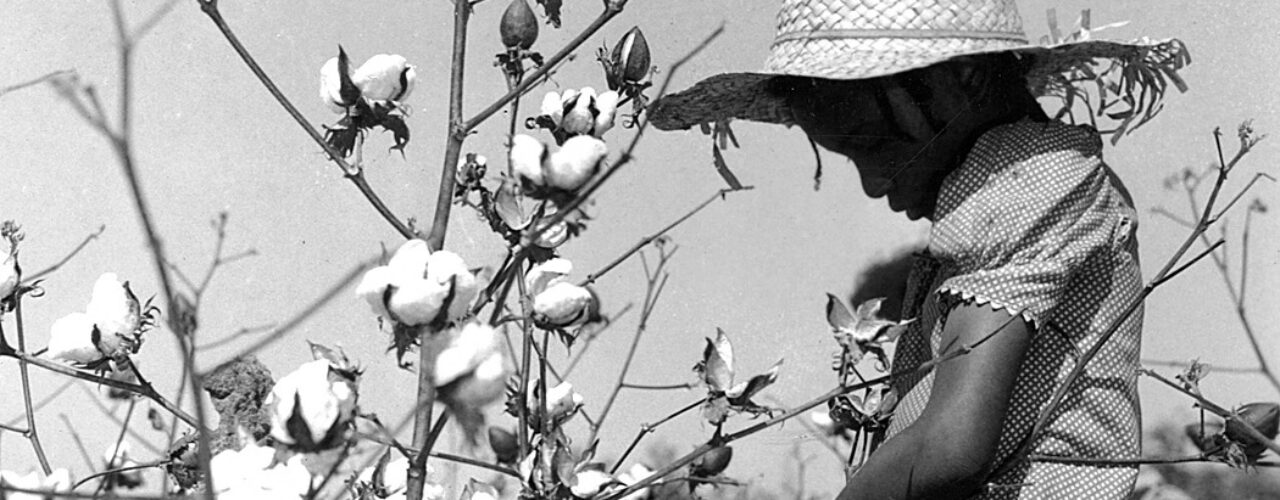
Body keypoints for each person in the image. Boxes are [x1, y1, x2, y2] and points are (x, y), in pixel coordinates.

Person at [648, 0, 1189, 498]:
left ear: (965, 76)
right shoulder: (1017, 179)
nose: (873, 185)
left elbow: (949, 448)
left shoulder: (1029, 178)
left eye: (873, 146)